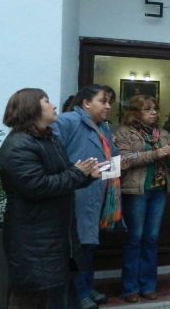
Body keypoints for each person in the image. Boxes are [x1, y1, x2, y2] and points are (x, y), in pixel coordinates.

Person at [0, 88, 101, 308]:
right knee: (31, 297)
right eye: (46, 101)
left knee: (53, 295)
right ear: (31, 108)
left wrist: (86, 176)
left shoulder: (48, 138)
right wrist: (77, 173)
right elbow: (36, 186)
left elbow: (61, 177)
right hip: (33, 238)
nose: (53, 105)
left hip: (53, 234)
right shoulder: (19, 145)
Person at [53, 84, 117, 309]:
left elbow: (113, 156)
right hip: (76, 195)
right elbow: (52, 155)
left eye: (109, 102)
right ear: (86, 103)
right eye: (103, 101)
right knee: (77, 246)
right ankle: (79, 293)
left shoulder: (103, 127)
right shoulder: (68, 121)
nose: (108, 106)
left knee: (90, 245)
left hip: (98, 193)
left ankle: (87, 287)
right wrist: (75, 172)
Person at [115, 95, 170, 302]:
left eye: (155, 109)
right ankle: (130, 289)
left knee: (152, 239)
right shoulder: (123, 132)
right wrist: (156, 154)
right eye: (148, 109)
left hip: (158, 190)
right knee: (135, 239)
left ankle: (148, 285)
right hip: (136, 191)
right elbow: (123, 160)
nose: (154, 112)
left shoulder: (163, 133)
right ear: (135, 112)